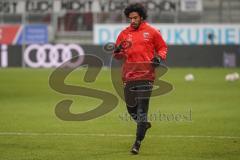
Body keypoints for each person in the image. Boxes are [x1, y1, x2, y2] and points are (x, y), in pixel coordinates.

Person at [113, 3, 168, 154]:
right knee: (131, 109)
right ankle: (143, 125)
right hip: (129, 76)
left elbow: (163, 47)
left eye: (135, 17)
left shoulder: (151, 32)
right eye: (130, 18)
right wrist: (117, 51)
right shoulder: (124, 34)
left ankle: (137, 143)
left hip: (146, 76)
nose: (132, 20)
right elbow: (118, 55)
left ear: (142, 17)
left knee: (142, 110)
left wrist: (159, 57)